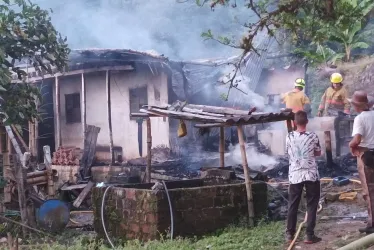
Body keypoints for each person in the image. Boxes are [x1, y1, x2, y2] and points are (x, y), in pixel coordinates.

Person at [286, 110, 322, 244]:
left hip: (295, 174)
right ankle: (309, 235)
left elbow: (288, 153)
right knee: (312, 204)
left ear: (295, 123)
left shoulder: (289, 137)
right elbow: (318, 152)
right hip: (311, 174)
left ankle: (290, 234)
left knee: (293, 204)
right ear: (307, 122)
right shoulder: (313, 136)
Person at [348, 91, 374, 234]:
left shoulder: (360, 119)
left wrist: (351, 146)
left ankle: (372, 224)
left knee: (369, 190)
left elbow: (357, 140)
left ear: (356, 106)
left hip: (367, 155)